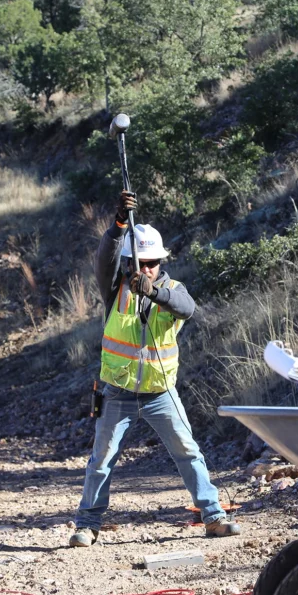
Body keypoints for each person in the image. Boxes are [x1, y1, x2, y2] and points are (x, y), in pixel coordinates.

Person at [69, 191, 240, 547]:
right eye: (140, 262)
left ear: (161, 262)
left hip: (161, 393)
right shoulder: (116, 288)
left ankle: (213, 516)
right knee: (101, 460)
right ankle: (86, 525)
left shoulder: (174, 289)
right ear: (130, 261)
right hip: (117, 392)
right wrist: (118, 225)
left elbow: (187, 308)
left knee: (188, 451)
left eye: (152, 263)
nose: (146, 268)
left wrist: (154, 292)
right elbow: (105, 259)